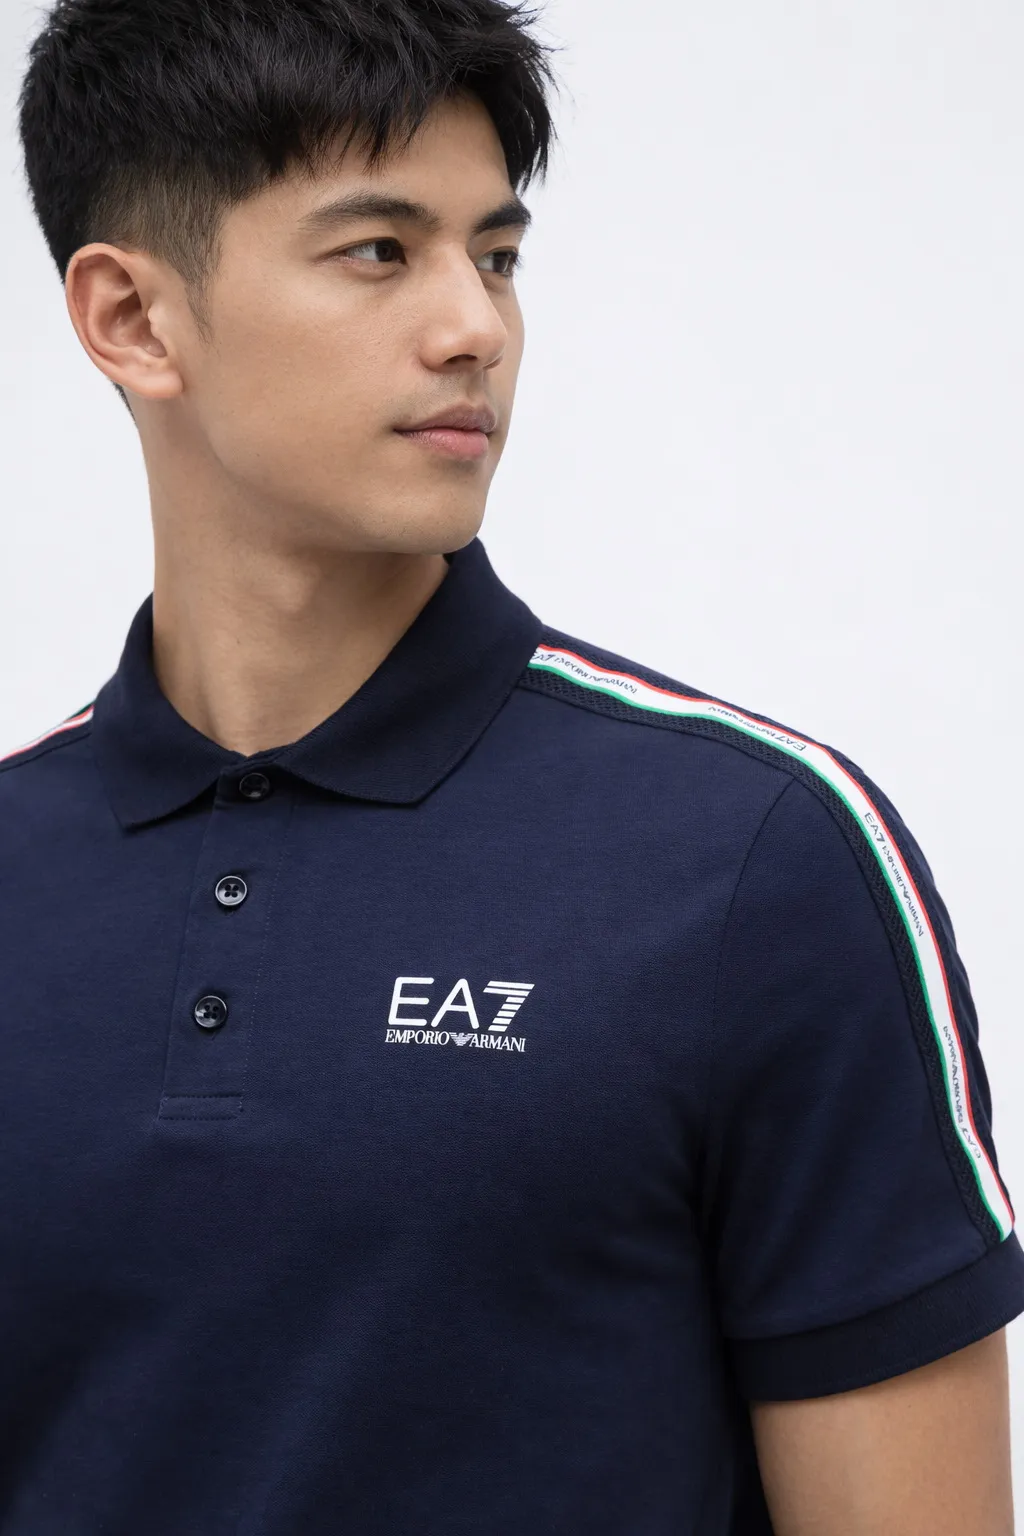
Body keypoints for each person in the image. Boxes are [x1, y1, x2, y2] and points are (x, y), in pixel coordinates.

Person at [3, 1, 1020, 1531]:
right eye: (379, 250)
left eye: (496, 255)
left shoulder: (757, 858)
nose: (474, 326)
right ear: (132, 319)